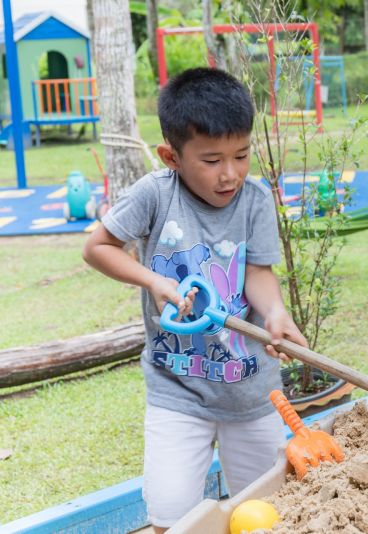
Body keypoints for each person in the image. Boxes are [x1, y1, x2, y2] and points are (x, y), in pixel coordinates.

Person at [83, 67, 307, 531]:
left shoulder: (256, 201)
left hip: (250, 391)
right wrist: (152, 280)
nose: (230, 174)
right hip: (176, 390)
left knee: (269, 509)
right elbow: (97, 247)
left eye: (241, 155)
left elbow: (258, 274)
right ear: (172, 156)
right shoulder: (153, 196)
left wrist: (275, 312)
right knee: (170, 512)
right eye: (211, 160)